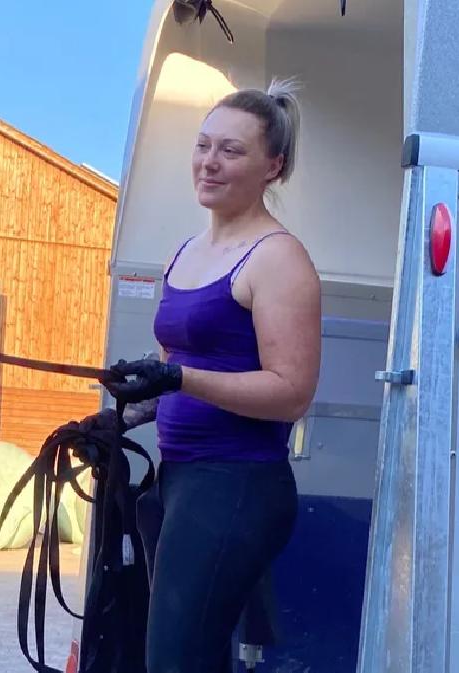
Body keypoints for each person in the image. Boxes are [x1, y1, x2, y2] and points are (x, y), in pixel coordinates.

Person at [93, 78, 322, 672]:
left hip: (237, 484)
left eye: (231, 150)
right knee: (184, 658)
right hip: (179, 478)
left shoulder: (278, 257)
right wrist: (128, 412)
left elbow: (291, 392)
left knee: (174, 662)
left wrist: (178, 379)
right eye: (203, 145)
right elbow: (180, 371)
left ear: (273, 166)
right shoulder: (186, 252)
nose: (209, 162)